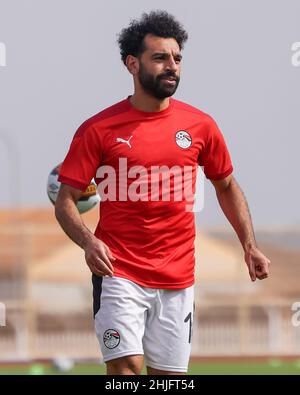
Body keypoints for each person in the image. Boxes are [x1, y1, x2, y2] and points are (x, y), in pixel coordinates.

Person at [55, 10, 270, 375]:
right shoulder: (98, 129)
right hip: (118, 273)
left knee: (168, 380)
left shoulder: (201, 126)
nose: (172, 66)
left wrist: (249, 244)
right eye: (160, 58)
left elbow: (227, 186)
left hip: (178, 278)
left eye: (177, 58)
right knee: (126, 370)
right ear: (132, 64)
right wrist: (89, 242)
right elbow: (65, 201)